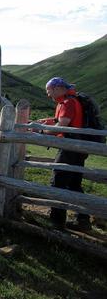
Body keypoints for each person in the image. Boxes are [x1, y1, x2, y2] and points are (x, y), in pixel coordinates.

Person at [37, 77, 91, 231]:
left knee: (58, 181)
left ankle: (56, 221)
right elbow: (61, 120)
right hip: (78, 148)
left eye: (49, 91)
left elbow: (62, 125)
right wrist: (46, 121)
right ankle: (83, 220)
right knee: (74, 184)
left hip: (69, 148)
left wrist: (41, 130)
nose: (48, 95)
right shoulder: (70, 101)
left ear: (58, 88)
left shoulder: (67, 103)